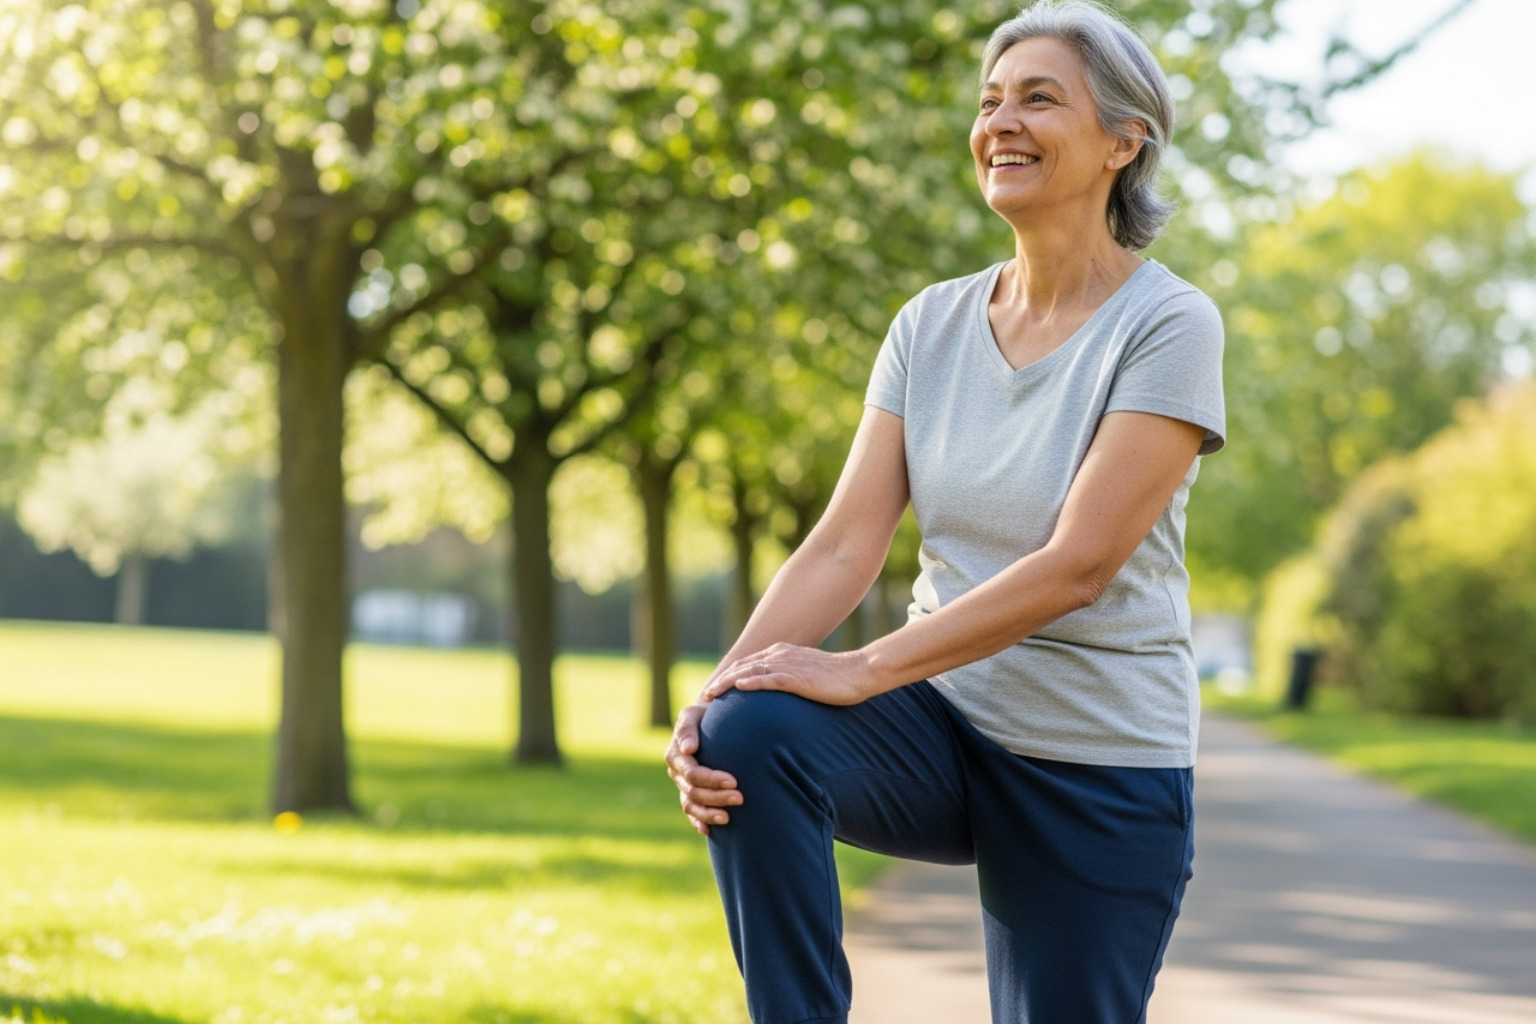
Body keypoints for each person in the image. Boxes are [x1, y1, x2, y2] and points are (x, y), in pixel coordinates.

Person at [664, 2, 1225, 1021]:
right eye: (990, 101)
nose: (1000, 122)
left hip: (1097, 761)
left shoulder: (1169, 323)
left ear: (1122, 141)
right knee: (748, 732)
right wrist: (711, 699)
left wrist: (863, 664)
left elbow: (1079, 566)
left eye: (1038, 99)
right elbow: (844, 541)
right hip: (945, 730)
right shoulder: (930, 323)